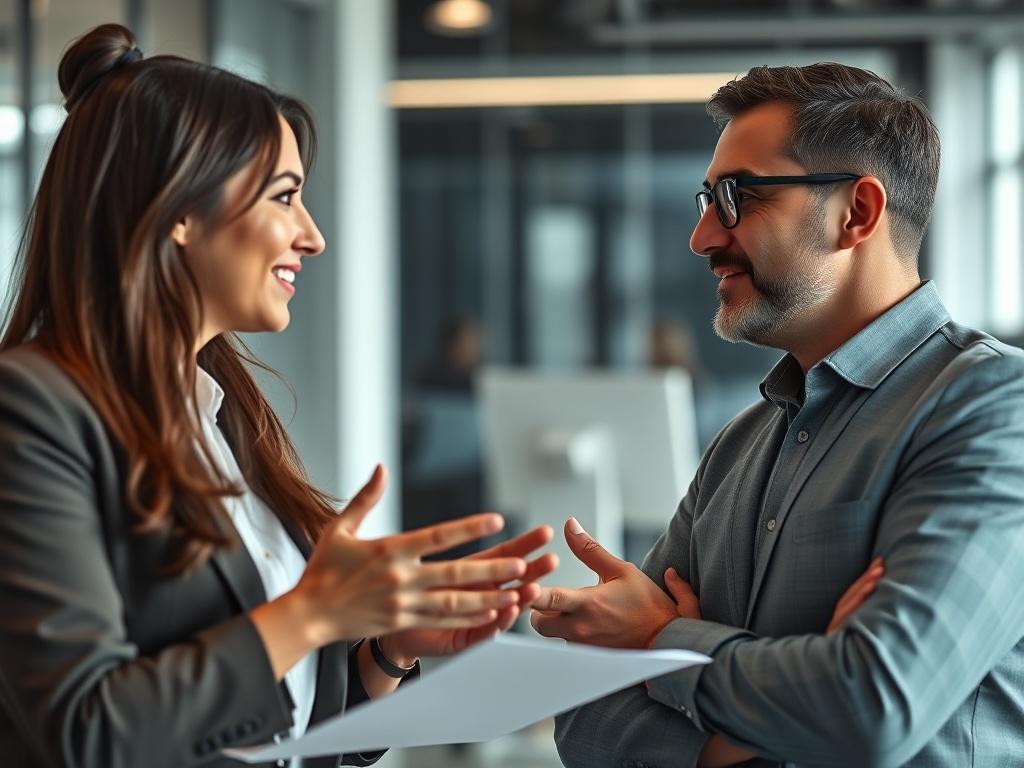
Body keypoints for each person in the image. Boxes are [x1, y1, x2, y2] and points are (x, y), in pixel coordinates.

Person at [0, 24, 558, 768]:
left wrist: (384, 653)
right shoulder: (33, 408)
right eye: (285, 197)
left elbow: (286, 735)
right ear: (179, 210)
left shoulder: (221, 413)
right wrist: (314, 611)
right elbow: (87, 731)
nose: (313, 235)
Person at [531, 62, 1024, 767]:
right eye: (708, 197)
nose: (704, 235)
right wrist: (743, 739)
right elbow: (585, 717)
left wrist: (661, 642)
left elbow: (873, 705)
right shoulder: (741, 442)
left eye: (738, 196)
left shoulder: (995, 406)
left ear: (857, 213)